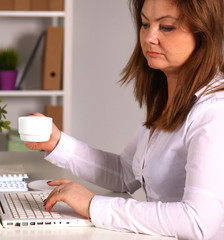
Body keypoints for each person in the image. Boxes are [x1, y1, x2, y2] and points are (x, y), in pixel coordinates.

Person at [25, 0, 224, 239]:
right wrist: (57, 142)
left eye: (167, 27)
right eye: (144, 24)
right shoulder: (168, 100)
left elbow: (198, 222)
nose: (149, 37)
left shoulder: (214, 111)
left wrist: (92, 205)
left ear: (204, 33)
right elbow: (125, 174)